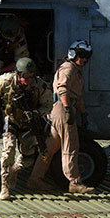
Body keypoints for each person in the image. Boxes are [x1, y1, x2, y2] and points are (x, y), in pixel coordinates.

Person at [0, 57, 53, 200]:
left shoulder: (40, 86)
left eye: (31, 76)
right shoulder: (6, 81)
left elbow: (48, 105)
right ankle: (4, 186)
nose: (28, 80)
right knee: (8, 152)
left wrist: (35, 113)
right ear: (18, 74)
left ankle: (14, 170)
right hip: (11, 120)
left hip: (29, 123)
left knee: (28, 158)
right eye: (25, 76)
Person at [29, 40, 95, 194]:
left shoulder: (74, 70)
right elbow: (62, 90)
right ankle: (74, 182)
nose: (85, 60)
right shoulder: (68, 69)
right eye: (83, 56)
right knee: (71, 146)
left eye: (87, 56)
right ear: (74, 54)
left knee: (50, 147)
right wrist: (67, 110)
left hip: (63, 109)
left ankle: (35, 178)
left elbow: (77, 97)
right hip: (62, 110)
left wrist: (82, 113)